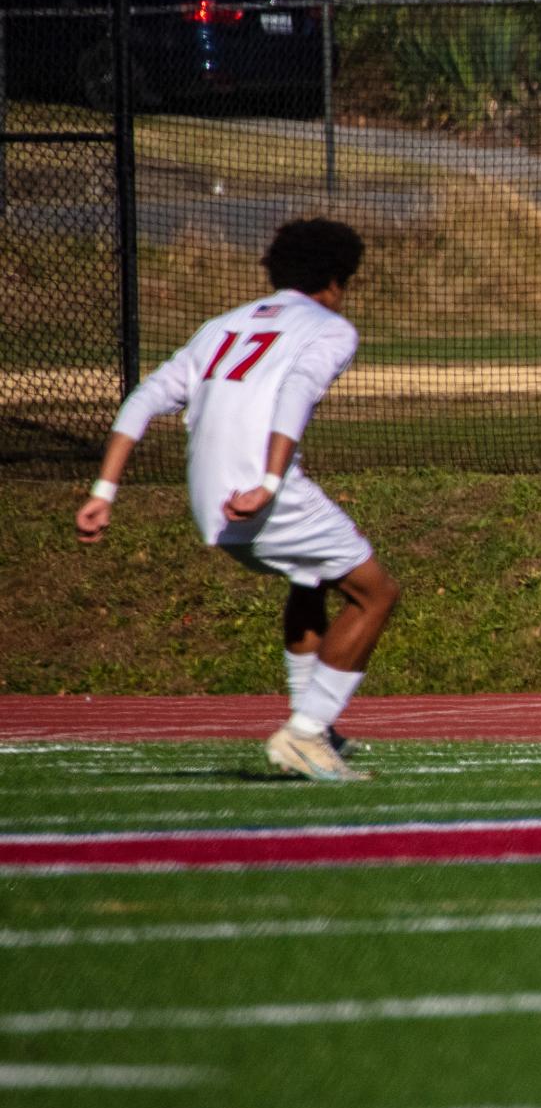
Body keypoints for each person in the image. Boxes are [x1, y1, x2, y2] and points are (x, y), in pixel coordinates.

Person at [73, 218, 399, 782]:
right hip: (259, 494)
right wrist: (270, 484)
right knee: (376, 595)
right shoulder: (331, 328)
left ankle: (315, 728)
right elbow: (296, 391)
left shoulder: (221, 325)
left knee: (307, 578)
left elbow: (144, 397)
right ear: (336, 277)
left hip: (207, 500)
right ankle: (305, 732)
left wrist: (104, 491)